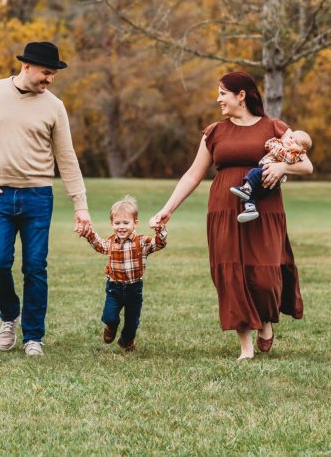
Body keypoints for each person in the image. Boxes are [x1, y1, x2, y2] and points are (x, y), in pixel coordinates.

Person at [150, 71, 313, 360]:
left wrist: (282, 169)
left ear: (241, 95)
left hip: (264, 210)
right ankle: (245, 347)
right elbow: (192, 175)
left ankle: (265, 322)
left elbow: (306, 166)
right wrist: (167, 209)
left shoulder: (274, 127)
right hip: (224, 209)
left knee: (264, 276)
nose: (218, 99)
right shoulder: (215, 132)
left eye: (222, 93)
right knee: (231, 274)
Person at [0, 41, 93, 357]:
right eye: (46, 73)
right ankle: (10, 316)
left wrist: (81, 206)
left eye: (53, 75)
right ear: (27, 67)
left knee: (35, 267)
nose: (49, 80)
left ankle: (33, 336)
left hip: (38, 196)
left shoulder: (54, 106)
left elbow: (66, 157)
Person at [75, 195, 167, 352]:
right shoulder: (111, 242)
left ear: (135, 223)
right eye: (117, 223)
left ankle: (126, 341)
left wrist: (159, 229)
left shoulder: (142, 242)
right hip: (114, 288)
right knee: (110, 316)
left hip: (134, 289)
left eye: (126, 223)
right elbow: (99, 245)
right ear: (112, 224)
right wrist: (88, 233)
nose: (121, 227)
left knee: (132, 322)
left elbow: (159, 243)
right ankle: (111, 327)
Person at [230, 128, 312, 223]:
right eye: (291, 137)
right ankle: (250, 209)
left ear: (302, 151)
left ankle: (246, 189)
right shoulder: (281, 144)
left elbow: (284, 156)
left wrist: (277, 146)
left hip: (271, 177)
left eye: (296, 143)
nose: (291, 141)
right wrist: (278, 144)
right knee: (253, 194)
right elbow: (267, 144)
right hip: (266, 175)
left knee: (253, 172)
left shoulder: (295, 156)